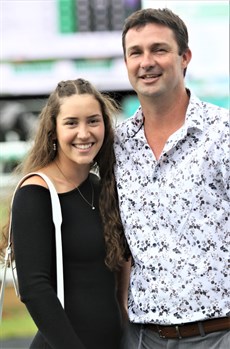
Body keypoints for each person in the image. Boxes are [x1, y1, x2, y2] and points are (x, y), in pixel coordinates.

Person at [114, 7, 230, 349]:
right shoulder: (117, 146)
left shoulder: (222, 133)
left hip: (220, 334)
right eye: (136, 52)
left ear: (185, 58)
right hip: (145, 338)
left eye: (159, 49)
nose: (146, 61)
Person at [0, 78, 127, 349]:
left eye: (93, 121)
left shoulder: (99, 187)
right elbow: (35, 290)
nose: (84, 133)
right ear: (53, 130)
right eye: (71, 123)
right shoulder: (35, 194)